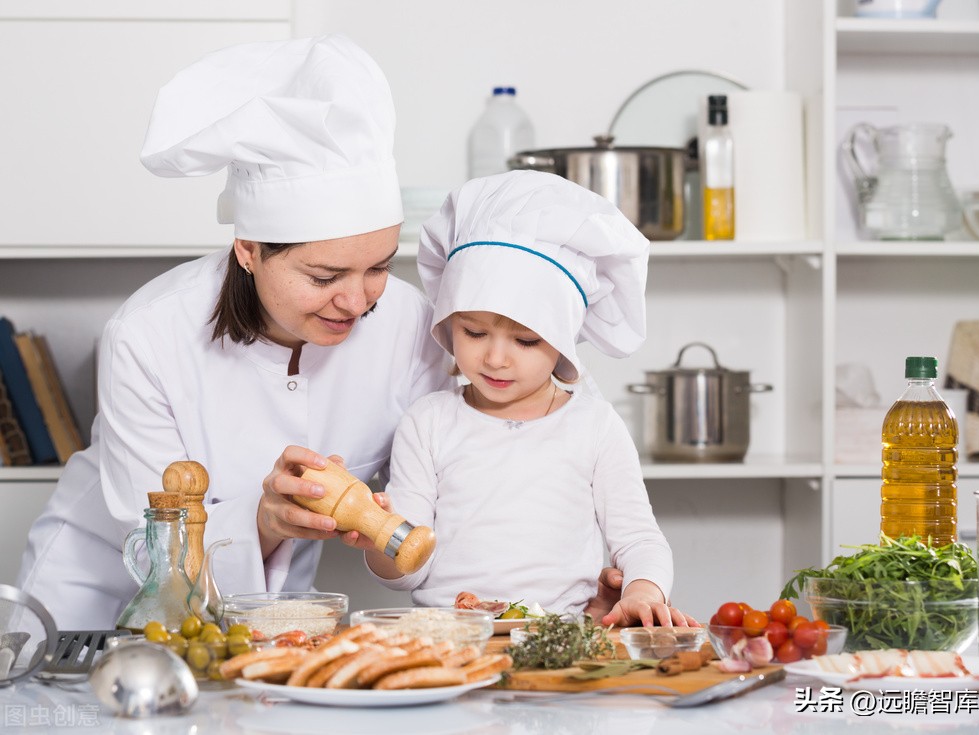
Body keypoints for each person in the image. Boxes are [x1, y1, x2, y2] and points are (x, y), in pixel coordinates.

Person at [16, 35, 451, 629]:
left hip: (274, 616)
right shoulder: (147, 336)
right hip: (96, 597)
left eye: (378, 266)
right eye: (324, 275)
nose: (357, 301)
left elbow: (421, 503)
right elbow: (153, 548)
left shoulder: (414, 328)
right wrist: (264, 519)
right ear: (249, 249)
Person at [349, 170, 684, 627]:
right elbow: (408, 571)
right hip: (448, 636)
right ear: (448, 324)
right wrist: (381, 542)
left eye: (526, 340)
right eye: (474, 332)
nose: (496, 358)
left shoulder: (594, 426)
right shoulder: (427, 422)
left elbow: (640, 539)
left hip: (559, 637)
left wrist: (643, 590)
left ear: (564, 342)